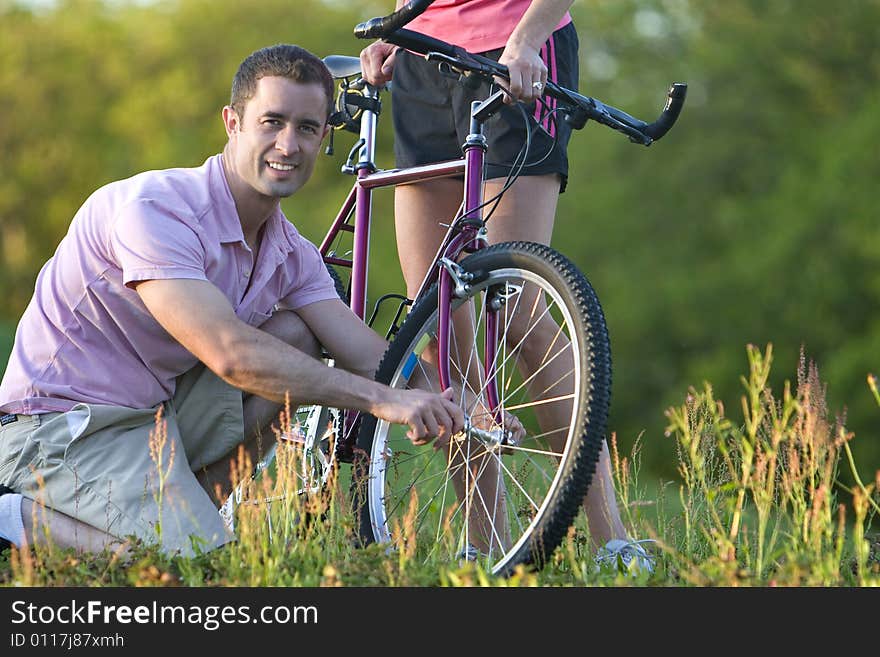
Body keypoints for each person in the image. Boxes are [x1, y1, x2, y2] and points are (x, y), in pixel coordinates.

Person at [0, 44, 466, 558]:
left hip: (150, 417)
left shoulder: (291, 252)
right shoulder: (156, 210)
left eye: (307, 128)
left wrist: (464, 409)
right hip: (61, 427)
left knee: (299, 335)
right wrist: (381, 401)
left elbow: (371, 355)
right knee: (189, 570)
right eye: (272, 122)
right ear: (233, 122)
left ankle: (185, 515)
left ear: (323, 137)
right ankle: (16, 520)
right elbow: (231, 355)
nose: (288, 145)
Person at [360, 0, 654, 571]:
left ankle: (612, 541)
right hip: (422, 56)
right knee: (441, 319)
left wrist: (529, 35)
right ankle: (483, 540)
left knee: (514, 307)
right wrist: (399, 25)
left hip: (516, 48)